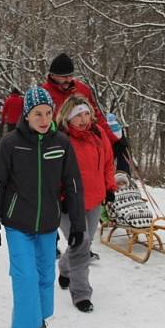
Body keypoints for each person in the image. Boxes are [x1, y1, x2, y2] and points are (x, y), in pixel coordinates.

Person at [0, 86, 86, 328]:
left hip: (47, 224)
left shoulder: (61, 143)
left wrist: (77, 224)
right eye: (37, 114)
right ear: (26, 116)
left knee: (44, 276)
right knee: (24, 276)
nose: (43, 119)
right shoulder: (10, 143)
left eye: (48, 113)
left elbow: (74, 185)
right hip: (17, 223)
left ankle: (40, 319)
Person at [54, 95, 115, 313]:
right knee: (81, 243)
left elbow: (108, 162)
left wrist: (109, 188)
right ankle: (81, 294)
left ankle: (64, 267)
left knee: (83, 243)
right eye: (78, 115)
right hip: (68, 204)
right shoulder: (60, 138)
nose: (83, 119)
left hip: (94, 198)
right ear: (67, 117)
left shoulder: (97, 134)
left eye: (86, 113)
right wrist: (62, 198)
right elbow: (53, 173)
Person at [41, 53, 120, 148]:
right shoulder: (43, 93)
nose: (68, 80)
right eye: (64, 77)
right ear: (53, 75)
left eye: (70, 75)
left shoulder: (82, 90)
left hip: (84, 144)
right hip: (56, 145)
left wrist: (114, 141)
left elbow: (96, 117)